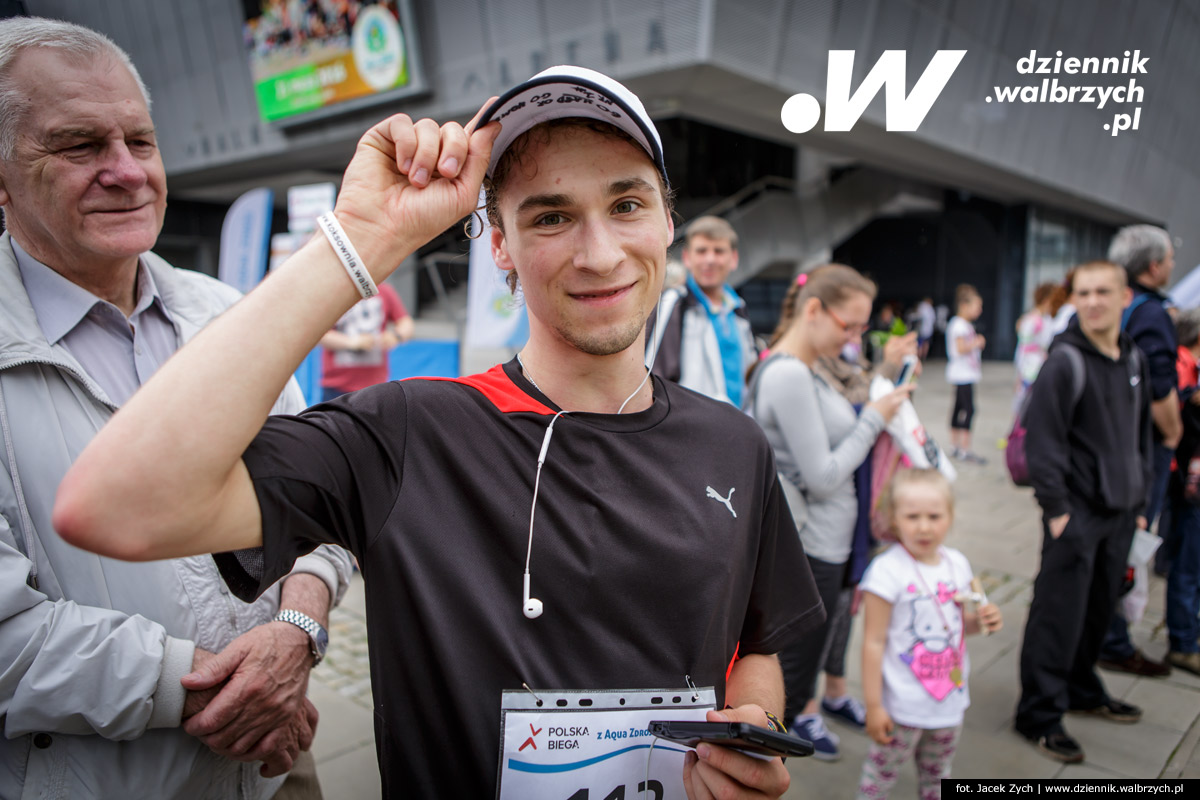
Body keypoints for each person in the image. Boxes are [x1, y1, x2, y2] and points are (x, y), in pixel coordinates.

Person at [53, 65, 822, 799]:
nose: (600, 252)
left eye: (627, 204)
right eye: (550, 215)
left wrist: (754, 724)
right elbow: (114, 505)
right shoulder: (410, 431)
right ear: (499, 244)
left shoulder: (734, 445)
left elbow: (758, 641)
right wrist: (360, 239)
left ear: (667, 219)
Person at [0, 17, 353, 799]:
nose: (126, 172)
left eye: (141, 141)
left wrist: (298, 629)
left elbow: (326, 513)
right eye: (79, 145)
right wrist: (230, 689)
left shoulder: (233, 315)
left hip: (271, 768)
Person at [744, 265, 913, 761]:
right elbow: (822, 474)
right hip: (813, 542)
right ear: (814, 310)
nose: (855, 337)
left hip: (824, 539)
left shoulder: (808, 366)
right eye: (851, 325)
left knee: (801, 671)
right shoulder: (792, 373)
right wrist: (874, 421)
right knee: (793, 681)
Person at [1014, 260, 1154, 764]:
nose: (1093, 301)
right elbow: (1042, 442)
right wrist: (1057, 512)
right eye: (1084, 292)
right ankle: (1039, 714)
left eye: (1103, 292)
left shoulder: (1132, 357)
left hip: (1121, 512)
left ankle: (1081, 688)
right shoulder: (1064, 362)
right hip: (1075, 513)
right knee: (1057, 615)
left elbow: (1141, 436)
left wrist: (1140, 502)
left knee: (1098, 612)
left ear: (1123, 298)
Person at [857, 468, 1003, 800]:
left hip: (949, 703)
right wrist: (874, 705)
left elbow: (957, 627)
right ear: (894, 518)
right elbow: (873, 642)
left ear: (950, 516)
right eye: (912, 516)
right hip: (901, 706)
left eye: (934, 516)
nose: (924, 526)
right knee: (879, 777)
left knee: (938, 777)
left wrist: (984, 621)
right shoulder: (886, 572)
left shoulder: (958, 565)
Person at [1097, 224, 1178, 677]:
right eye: (1168, 258)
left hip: (1108, 454)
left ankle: (1107, 632)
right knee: (1129, 544)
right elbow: (1160, 391)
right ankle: (1112, 637)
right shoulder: (1150, 314)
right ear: (1152, 266)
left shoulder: (1128, 312)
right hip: (1134, 455)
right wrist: (1172, 432)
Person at [648, 215, 757, 405]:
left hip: (738, 426)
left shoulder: (738, 308)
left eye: (718, 251)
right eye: (701, 251)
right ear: (687, 258)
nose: (710, 260)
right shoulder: (672, 304)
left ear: (734, 259)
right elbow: (651, 374)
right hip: (691, 428)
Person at [1165, 308, 1200, 674]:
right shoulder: (1182, 366)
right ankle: (1184, 639)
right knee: (1187, 562)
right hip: (1184, 478)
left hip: (1181, 477)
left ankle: (1186, 633)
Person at [319, 281, 413, 401]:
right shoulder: (334, 291)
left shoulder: (384, 290)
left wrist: (395, 336)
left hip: (375, 386)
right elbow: (319, 334)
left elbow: (406, 323)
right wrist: (352, 342)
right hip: (336, 386)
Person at [945, 285, 987, 464]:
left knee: (958, 408)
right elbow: (961, 348)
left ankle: (955, 446)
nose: (979, 311)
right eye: (976, 306)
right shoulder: (959, 325)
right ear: (964, 305)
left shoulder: (962, 324)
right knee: (968, 410)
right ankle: (964, 449)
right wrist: (977, 343)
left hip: (965, 373)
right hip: (963, 374)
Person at [1013, 282, 1060, 409]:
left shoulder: (1045, 319)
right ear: (1047, 300)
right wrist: (1019, 374)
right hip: (1031, 369)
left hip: (1039, 367)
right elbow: (1023, 348)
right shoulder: (1032, 320)